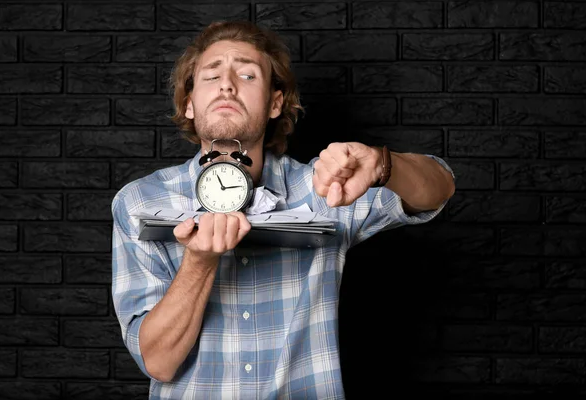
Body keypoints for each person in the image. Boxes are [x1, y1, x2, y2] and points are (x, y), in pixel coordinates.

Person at [111, 20, 455, 399]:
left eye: (246, 74)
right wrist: (199, 263)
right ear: (189, 103)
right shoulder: (140, 201)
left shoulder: (327, 189)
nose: (227, 84)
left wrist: (381, 164)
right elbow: (158, 362)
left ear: (275, 103)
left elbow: (439, 190)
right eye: (211, 76)